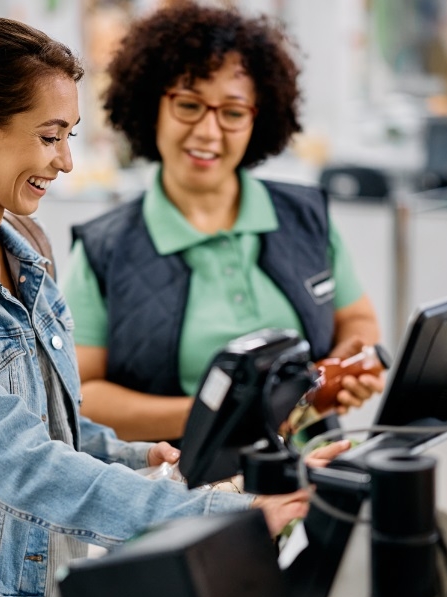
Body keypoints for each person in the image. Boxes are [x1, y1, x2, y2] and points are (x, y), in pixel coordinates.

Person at [0, 18, 335, 597]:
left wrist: (130, 455)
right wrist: (217, 510)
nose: (66, 161)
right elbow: (16, 464)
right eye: (49, 137)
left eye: (68, 136)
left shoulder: (29, 249)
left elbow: (49, 428)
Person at [64, 3, 385, 443]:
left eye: (233, 112)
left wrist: (349, 365)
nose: (209, 132)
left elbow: (358, 320)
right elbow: (82, 395)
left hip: (316, 480)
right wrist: (220, 414)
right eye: (189, 104)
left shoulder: (305, 217)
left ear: (259, 117)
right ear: (150, 105)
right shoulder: (104, 251)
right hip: (186, 495)